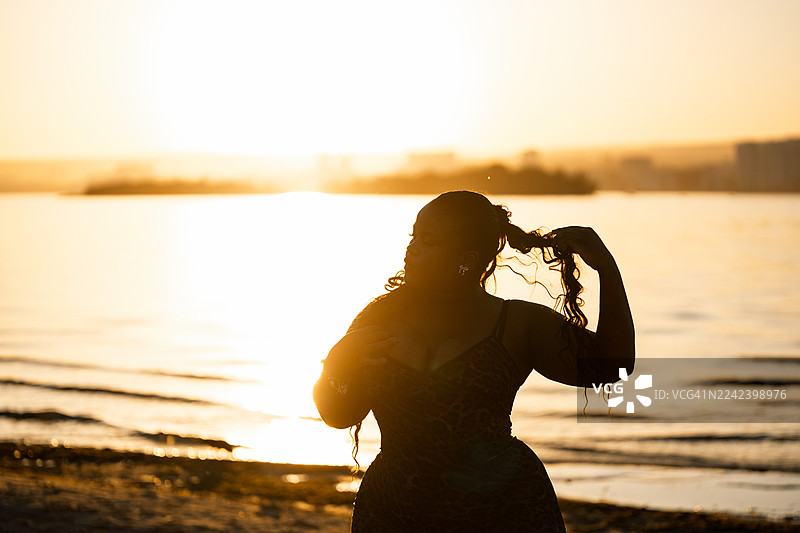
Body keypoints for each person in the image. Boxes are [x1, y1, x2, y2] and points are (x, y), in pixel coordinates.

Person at [313, 190, 635, 532]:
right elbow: (339, 414)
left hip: (504, 510)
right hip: (395, 509)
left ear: (464, 259)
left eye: (428, 240)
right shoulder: (379, 318)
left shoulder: (516, 324)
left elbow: (612, 367)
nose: (412, 248)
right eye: (414, 236)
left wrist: (606, 267)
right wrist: (336, 363)